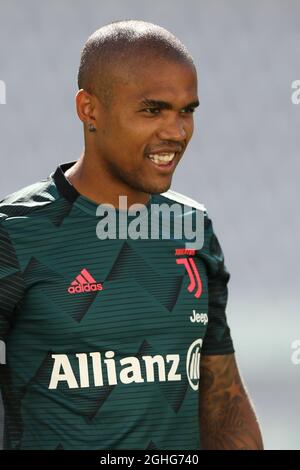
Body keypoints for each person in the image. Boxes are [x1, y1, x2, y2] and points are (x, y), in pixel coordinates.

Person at [0, 20, 263, 450]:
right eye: (152, 109)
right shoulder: (14, 233)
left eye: (187, 111)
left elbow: (223, 403)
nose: (176, 132)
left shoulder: (192, 227)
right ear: (90, 109)